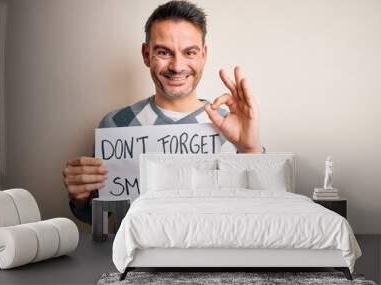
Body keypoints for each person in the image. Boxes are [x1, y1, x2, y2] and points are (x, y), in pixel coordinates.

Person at [62, 0, 264, 224]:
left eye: (189, 52)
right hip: (138, 257)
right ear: (146, 54)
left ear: (203, 55)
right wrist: (79, 198)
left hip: (214, 257)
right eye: (164, 52)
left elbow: (263, 211)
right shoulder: (117, 125)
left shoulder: (232, 126)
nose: (177, 66)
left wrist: (251, 149)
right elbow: (100, 217)